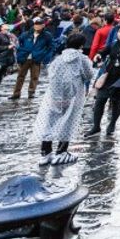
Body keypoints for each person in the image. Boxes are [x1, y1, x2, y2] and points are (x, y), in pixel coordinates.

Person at [34, 32, 94, 165]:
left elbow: (50, 74)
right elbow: (89, 74)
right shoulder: (82, 59)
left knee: (50, 121)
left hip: (54, 95)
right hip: (73, 95)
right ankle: (61, 152)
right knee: (68, 121)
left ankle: (45, 153)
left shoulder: (58, 59)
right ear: (81, 45)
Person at [87, 23, 120, 137]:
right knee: (100, 100)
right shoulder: (114, 43)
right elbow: (104, 51)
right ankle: (96, 126)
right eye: (119, 31)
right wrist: (99, 54)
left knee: (116, 101)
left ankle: (112, 124)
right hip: (109, 75)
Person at [10, 17, 54, 99]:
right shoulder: (27, 34)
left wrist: (45, 57)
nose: (37, 27)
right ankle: (16, 93)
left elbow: (51, 47)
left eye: (40, 25)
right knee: (20, 76)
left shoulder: (47, 35)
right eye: (36, 25)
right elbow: (18, 42)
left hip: (37, 58)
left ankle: (31, 92)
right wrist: (21, 52)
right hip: (25, 57)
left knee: (34, 76)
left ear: (43, 25)